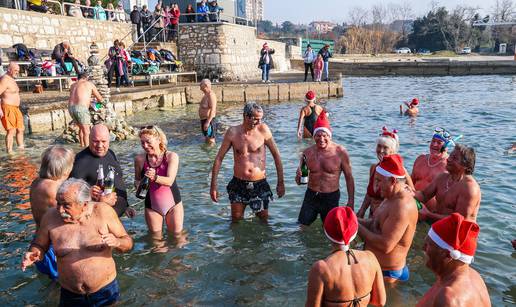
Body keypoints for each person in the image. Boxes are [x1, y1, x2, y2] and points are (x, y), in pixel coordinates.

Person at [21, 178, 133, 307]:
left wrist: (117, 242)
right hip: (70, 295)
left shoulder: (103, 212)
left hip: (104, 292)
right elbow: (39, 245)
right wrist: (34, 254)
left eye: (66, 205)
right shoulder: (50, 217)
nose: (60, 210)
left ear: (84, 204)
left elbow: (127, 242)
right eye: (58, 203)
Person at [210, 102, 285, 222]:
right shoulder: (233, 132)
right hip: (238, 184)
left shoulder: (263, 130)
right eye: (256, 119)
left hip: (259, 184)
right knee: (236, 220)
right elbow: (219, 158)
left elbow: (276, 156)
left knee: (263, 221)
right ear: (245, 116)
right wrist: (213, 185)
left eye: (260, 119)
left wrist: (280, 182)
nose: (259, 122)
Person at [306, 207, 386, 307]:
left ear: (326, 231)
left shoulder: (321, 268)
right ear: (355, 231)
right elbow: (380, 302)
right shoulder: (370, 258)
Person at [358, 154, 418, 283]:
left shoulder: (402, 207)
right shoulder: (390, 196)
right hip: (381, 268)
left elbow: (386, 245)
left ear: (392, 181)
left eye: (379, 181)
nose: (376, 186)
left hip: (388, 273)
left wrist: (356, 227)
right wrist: (354, 219)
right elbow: (376, 224)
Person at [417, 213, 491, 307]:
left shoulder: (448, 298)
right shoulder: (474, 276)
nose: (423, 248)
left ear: (447, 255)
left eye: (428, 245)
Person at [295, 111, 355, 226]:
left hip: (330, 197)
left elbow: (349, 177)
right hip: (311, 195)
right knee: (301, 227)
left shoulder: (340, 152)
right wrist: (297, 178)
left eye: (325, 135)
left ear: (329, 136)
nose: (321, 139)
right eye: (318, 135)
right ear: (314, 136)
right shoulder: (307, 153)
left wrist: (351, 201)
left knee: (331, 230)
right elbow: (301, 181)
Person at [29, 145, 75, 281]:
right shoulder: (54, 188)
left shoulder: (36, 183)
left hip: (39, 243)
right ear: (65, 169)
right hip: (53, 246)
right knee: (63, 285)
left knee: (49, 283)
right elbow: (69, 216)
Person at [70, 124, 134, 218]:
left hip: (115, 215)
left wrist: (126, 206)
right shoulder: (81, 161)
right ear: (89, 139)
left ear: (109, 140)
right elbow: (70, 195)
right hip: (98, 218)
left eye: (103, 141)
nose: (100, 145)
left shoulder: (110, 153)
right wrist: (89, 193)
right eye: (95, 141)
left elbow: (117, 180)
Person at [134, 125, 184, 237]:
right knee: (157, 244)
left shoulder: (171, 156)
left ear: (158, 139)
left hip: (173, 205)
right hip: (152, 207)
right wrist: (138, 186)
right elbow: (137, 180)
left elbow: (170, 181)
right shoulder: (139, 160)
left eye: (148, 142)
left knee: (178, 239)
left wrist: (155, 177)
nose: (145, 146)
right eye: (142, 143)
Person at [357, 127, 414, 218]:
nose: (381, 150)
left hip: (388, 217)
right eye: (379, 146)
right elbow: (369, 193)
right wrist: (362, 209)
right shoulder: (374, 168)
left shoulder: (400, 172)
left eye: (385, 147)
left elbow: (412, 196)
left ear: (393, 151)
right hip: (372, 214)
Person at [415, 144, 480, 223]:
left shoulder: (469, 188)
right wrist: (409, 192)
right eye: (451, 155)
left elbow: (460, 220)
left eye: (454, 158)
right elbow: (424, 195)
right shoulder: (442, 177)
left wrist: (429, 214)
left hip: (457, 233)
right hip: (437, 226)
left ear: (466, 166)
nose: (448, 159)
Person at [411, 128, 451, 213]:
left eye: (439, 142)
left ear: (446, 146)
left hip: (433, 213)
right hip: (413, 207)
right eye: (433, 141)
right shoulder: (420, 159)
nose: (434, 144)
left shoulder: (449, 166)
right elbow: (411, 182)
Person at [68, 71, 103, 147]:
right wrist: (98, 106)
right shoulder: (89, 84)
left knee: (81, 128)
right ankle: (87, 150)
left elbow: (78, 96)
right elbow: (100, 98)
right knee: (87, 132)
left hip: (71, 108)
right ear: (86, 78)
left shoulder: (73, 85)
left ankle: (82, 146)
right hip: (81, 108)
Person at [0, 63, 24, 154]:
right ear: (9, 69)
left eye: (18, 70)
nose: (17, 72)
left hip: (16, 108)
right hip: (8, 108)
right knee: (11, 130)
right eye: (15, 70)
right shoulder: (5, 79)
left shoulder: (12, 79)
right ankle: (9, 151)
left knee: (20, 129)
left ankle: (21, 149)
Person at [198, 79, 217, 144]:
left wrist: (208, 122)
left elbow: (213, 109)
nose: (200, 85)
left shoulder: (211, 95)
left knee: (211, 139)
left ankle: (212, 154)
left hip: (209, 120)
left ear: (206, 85)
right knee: (207, 138)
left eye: (201, 84)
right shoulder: (205, 95)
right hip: (204, 120)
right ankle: (207, 153)